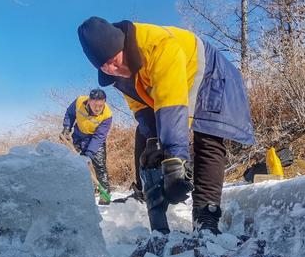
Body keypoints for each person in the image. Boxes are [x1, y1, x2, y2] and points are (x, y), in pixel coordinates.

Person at [77, 17, 255, 234]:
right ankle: (150, 199)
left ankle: (206, 216)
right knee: (144, 139)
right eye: (105, 67)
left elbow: (171, 104)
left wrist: (174, 162)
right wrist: (153, 142)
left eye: (114, 61)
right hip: (172, 88)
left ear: (121, 45)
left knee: (207, 135)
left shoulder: (158, 46)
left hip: (208, 73)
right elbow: (142, 110)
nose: (113, 69)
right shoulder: (118, 75)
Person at [61, 88, 112, 203]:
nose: (98, 109)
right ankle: (81, 195)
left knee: (100, 167)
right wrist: (66, 128)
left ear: (104, 102)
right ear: (89, 101)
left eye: (101, 105)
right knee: (75, 165)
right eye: (95, 105)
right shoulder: (79, 102)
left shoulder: (107, 115)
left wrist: (89, 155)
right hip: (79, 136)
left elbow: (99, 136)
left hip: (95, 140)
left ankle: (105, 196)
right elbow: (70, 114)